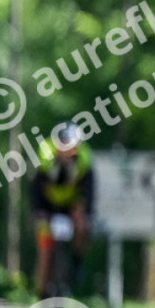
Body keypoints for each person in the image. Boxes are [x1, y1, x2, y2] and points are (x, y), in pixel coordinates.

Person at [30, 122, 94, 296]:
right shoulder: (45, 154)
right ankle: (42, 293)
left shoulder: (84, 158)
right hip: (47, 206)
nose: (67, 151)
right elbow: (35, 186)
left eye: (71, 147)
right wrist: (38, 211)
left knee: (84, 225)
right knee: (45, 252)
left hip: (70, 205)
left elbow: (89, 189)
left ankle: (77, 261)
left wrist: (84, 211)